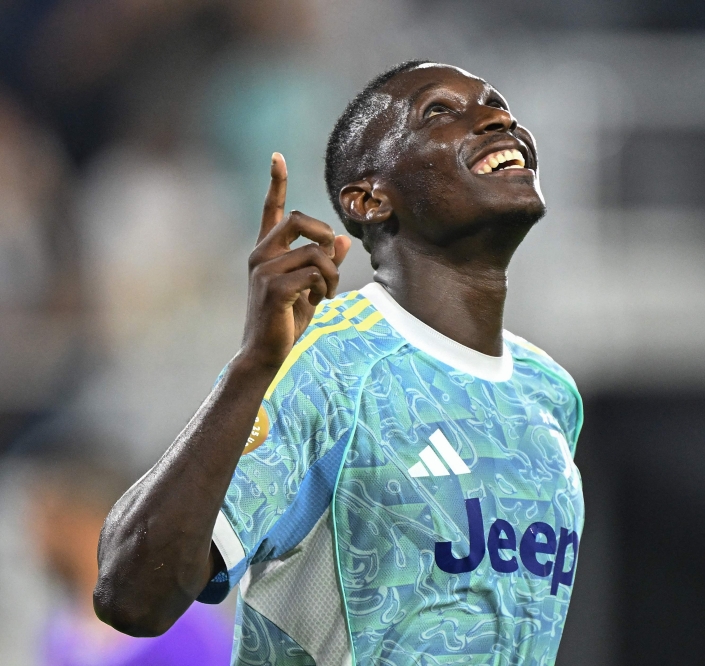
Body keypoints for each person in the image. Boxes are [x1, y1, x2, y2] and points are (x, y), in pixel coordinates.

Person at [94, 60, 584, 666]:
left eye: (499, 106)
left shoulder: (549, 392)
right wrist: (252, 368)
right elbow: (132, 597)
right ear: (370, 200)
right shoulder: (324, 362)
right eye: (440, 111)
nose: (498, 120)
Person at [31, 455, 232, 666]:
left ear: (79, 522)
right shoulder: (61, 633)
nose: (36, 537)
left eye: (47, 520)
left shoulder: (180, 621)